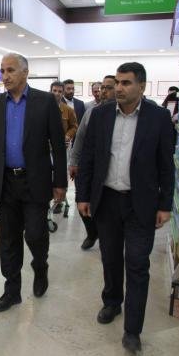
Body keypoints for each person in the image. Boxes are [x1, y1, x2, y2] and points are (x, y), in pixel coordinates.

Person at [76, 62, 174, 354]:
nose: (119, 88)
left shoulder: (158, 117)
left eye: (126, 82)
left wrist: (165, 204)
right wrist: (82, 195)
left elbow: (166, 164)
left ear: (141, 86)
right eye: (117, 82)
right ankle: (112, 302)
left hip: (141, 203)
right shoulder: (101, 114)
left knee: (137, 263)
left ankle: (133, 329)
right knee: (110, 258)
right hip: (106, 200)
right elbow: (88, 157)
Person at [0, 53, 67, 312]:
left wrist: (60, 182)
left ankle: (40, 266)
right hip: (6, 181)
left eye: (11, 70)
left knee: (35, 233)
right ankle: (12, 290)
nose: (5, 76)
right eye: (2, 71)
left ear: (25, 72)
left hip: (35, 180)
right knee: (8, 239)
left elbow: (58, 145)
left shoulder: (45, 101)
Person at [69, 75, 117, 250]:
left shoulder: (122, 115)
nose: (103, 91)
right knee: (81, 200)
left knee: (105, 205)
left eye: (108, 88)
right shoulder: (91, 112)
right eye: (102, 88)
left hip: (111, 170)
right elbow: (80, 138)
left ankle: (108, 237)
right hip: (89, 166)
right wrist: (74, 162)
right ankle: (92, 232)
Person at [50, 81, 78, 214]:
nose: (57, 94)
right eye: (54, 91)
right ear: (50, 91)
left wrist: (67, 136)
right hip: (45, 148)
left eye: (60, 91)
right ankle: (48, 197)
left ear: (63, 93)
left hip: (62, 148)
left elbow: (74, 126)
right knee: (47, 174)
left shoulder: (68, 110)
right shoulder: (43, 108)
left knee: (60, 174)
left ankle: (59, 201)